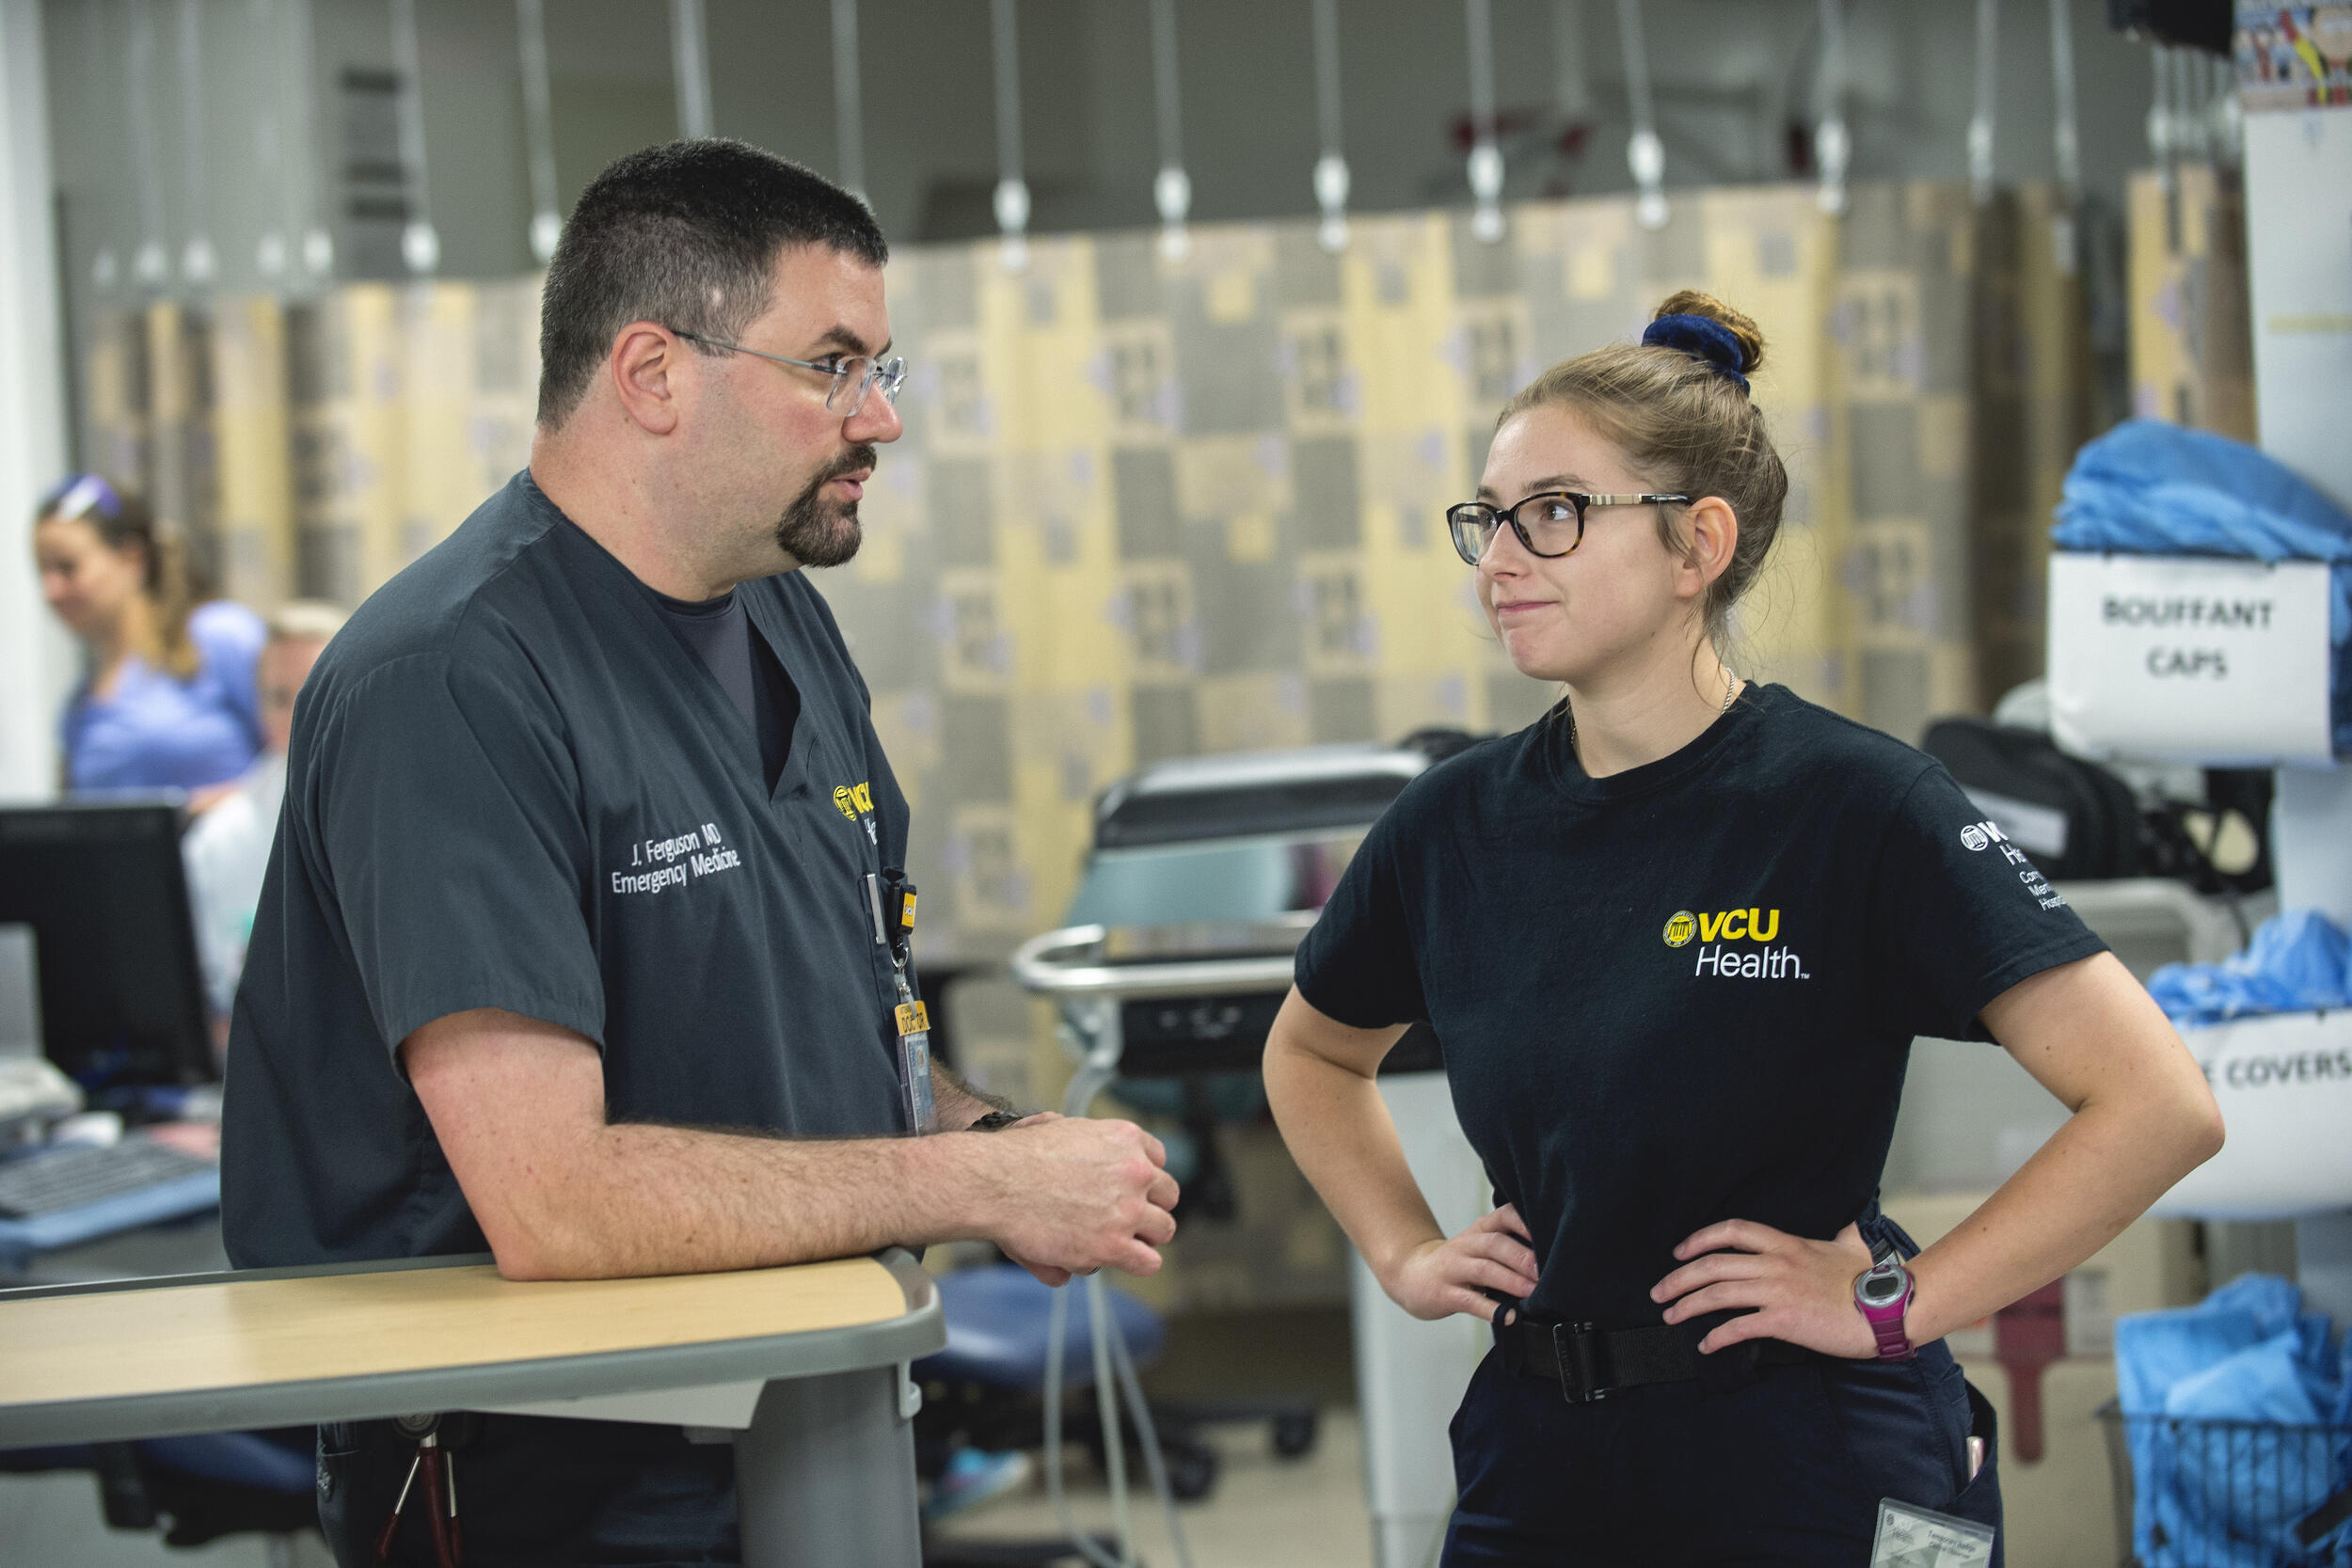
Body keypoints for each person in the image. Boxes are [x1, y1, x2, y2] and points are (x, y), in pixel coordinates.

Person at [219, 140, 1179, 1566]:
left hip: (810, 1423)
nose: (879, 418)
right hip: (555, 1480)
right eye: (833, 366)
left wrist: (992, 1138)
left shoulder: (780, 613)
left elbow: (829, 1033)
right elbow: (553, 1201)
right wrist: (977, 1191)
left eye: (882, 369)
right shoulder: (450, 683)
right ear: (654, 373)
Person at [1263, 292, 2225, 1565]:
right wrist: (1403, 1248)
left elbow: (2159, 1103)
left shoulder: (1859, 805)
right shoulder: (1451, 825)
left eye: (1553, 512)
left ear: (1697, 544)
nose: (1499, 560)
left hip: (1809, 1444)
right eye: (1487, 518)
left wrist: (1898, 1302)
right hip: (1541, 1447)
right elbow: (1312, 1050)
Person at [33, 474, 264, 804]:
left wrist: (212, 808)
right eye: (43, 571)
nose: (51, 590)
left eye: (67, 568)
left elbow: (300, 763)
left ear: (132, 558)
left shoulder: (221, 637)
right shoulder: (78, 708)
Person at [183, 600, 345, 1038]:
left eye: (315, 692)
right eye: (278, 698)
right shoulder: (218, 841)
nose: (298, 716)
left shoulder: (408, 817)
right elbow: (206, 997)